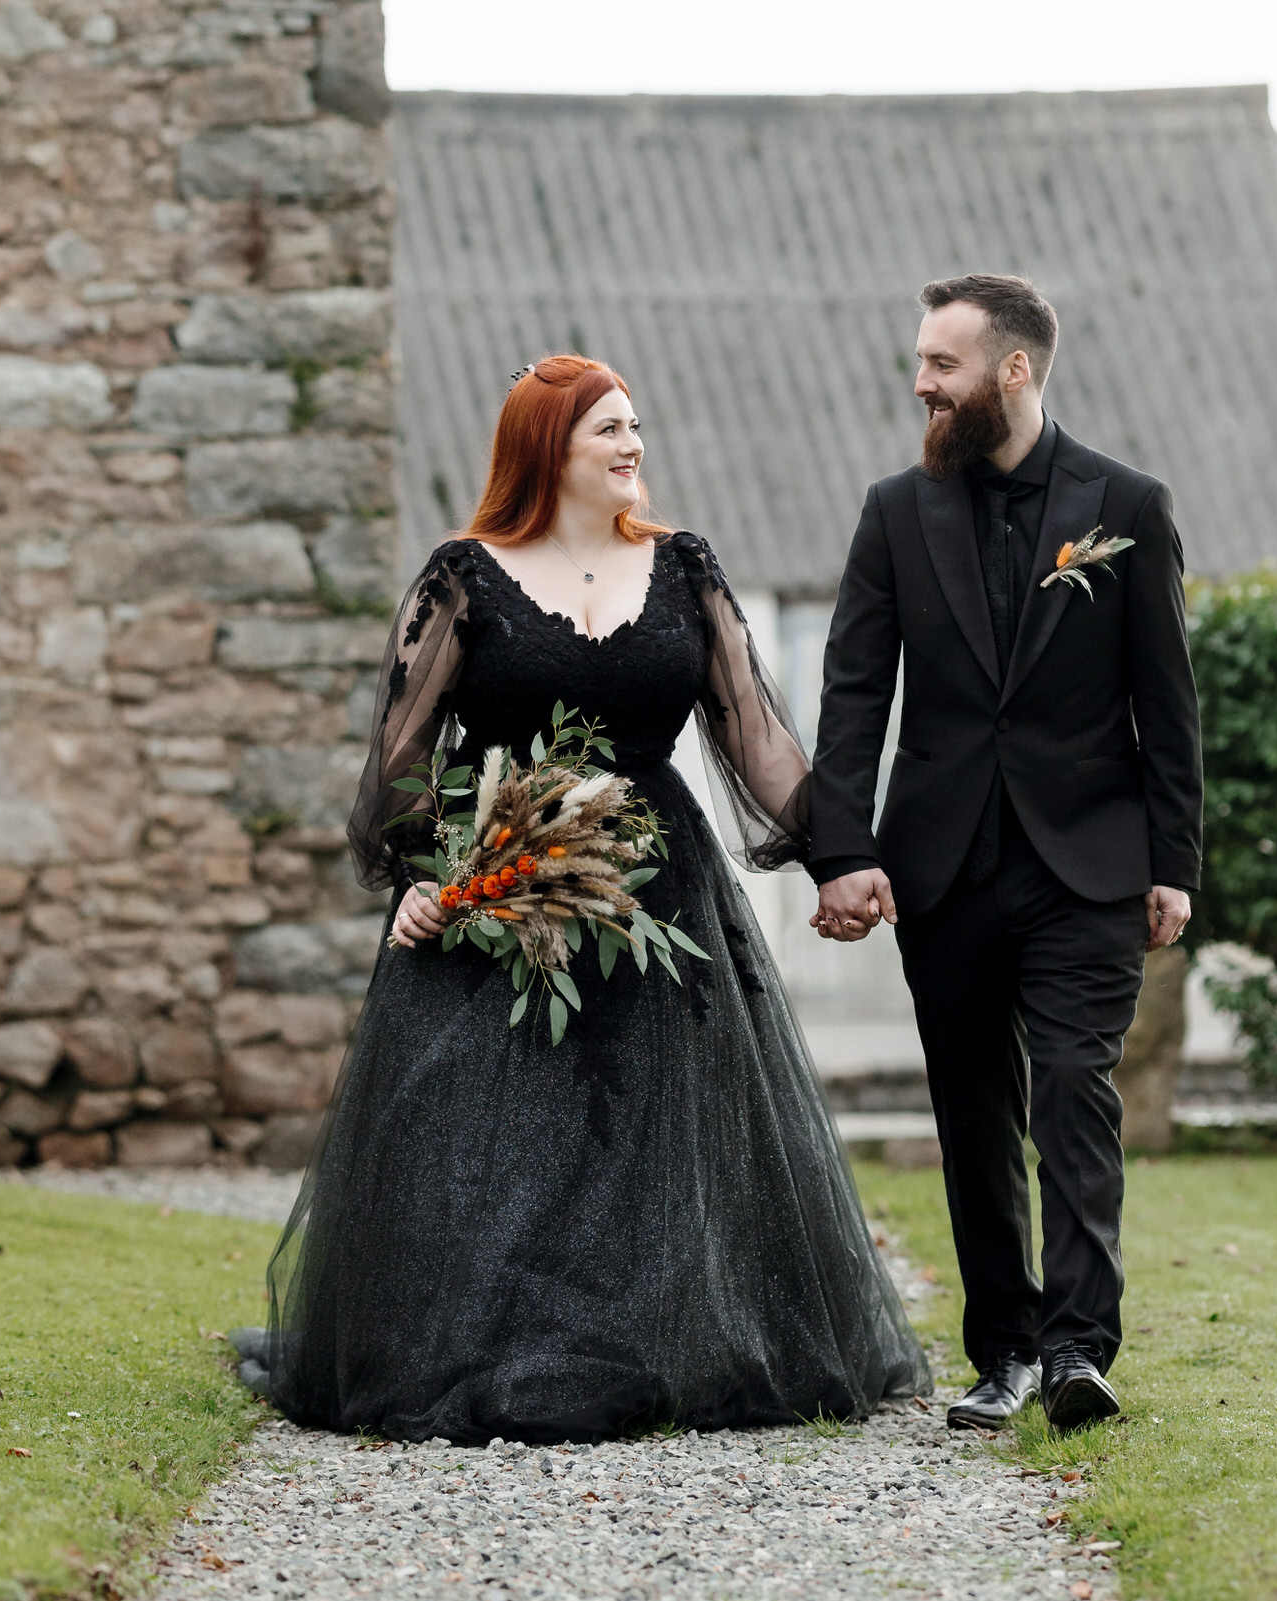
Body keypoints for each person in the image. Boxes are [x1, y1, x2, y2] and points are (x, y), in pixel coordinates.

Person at [234, 355, 930, 1443]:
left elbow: (758, 740)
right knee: (494, 1130)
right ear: (546, 445)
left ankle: (661, 1343)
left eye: (636, 425)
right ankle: (485, 1346)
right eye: (609, 427)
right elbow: (403, 764)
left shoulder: (684, 568)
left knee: (654, 1130)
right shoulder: (463, 577)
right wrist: (429, 878)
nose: (632, 444)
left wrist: (843, 852)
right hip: (498, 881)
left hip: (661, 887)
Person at [807, 275, 1202, 1435]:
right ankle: (1006, 1351)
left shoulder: (1126, 502)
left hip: (1088, 860)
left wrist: (1172, 861)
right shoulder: (894, 511)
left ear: (1012, 371)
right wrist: (844, 848)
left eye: (941, 363)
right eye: (921, 361)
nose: (919, 382)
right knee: (974, 1109)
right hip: (944, 865)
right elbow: (853, 692)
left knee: (1076, 1089)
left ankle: (1081, 1348)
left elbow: (1167, 703)